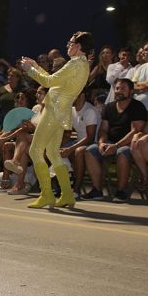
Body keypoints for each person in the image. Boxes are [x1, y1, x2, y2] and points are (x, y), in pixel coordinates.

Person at [17, 31, 92, 208]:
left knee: (35, 151)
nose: (68, 45)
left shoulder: (74, 65)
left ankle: (47, 194)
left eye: (71, 42)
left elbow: (49, 82)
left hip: (53, 112)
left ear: (79, 46)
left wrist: (29, 70)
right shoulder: (80, 65)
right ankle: (66, 194)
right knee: (52, 153)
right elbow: (53, 80)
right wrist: (35, 66)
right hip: (61, 112)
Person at [82, 78, 148, 202]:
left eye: (123, 89)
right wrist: (102, 142)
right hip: (110, 143)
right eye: (117, 88)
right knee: (90, 150)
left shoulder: (137, 106)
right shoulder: (109, 107)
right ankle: (97, 190)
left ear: (131, 91)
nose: (119, 91)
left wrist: (116, 146)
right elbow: (103, 130)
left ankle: (121, 190)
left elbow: (135, 131)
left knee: (122, 152)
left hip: (131, 145)